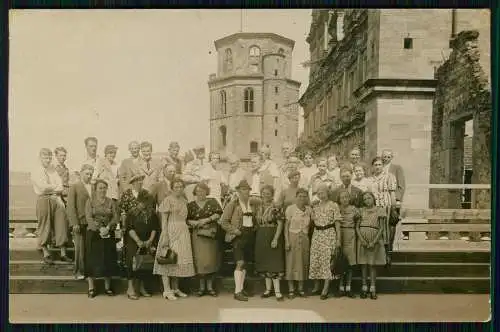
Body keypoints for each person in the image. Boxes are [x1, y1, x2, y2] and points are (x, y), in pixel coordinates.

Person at [153, 179, 195, 300]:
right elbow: (164, 219)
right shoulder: (168, 200)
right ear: (171, 188)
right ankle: (167, 290)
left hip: (183, 231)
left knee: (179, 260)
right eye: (176, 187)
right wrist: (165, 234)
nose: (179, 189)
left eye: (181, 187)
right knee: (168, 259)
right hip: (171, 230)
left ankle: (175, 288)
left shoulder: (184, 201)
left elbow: (185, 218)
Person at [119, 173, 159, 300]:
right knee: (132, 260)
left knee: (144, 261)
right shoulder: (126, 195)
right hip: (132, 235)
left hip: (147, 235)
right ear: (132, 183)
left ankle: (141, 287)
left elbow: (154, 223)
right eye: (137, 181)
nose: (139, 183)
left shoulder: (147, 195)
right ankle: (130, 288)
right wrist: (137, 240)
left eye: (141, 181)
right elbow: (126, 218)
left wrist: (149, 240)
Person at [219, 180, 259, 302]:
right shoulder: (233, 204)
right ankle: (237, 291)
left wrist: (254, 228)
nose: (246, 192)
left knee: (245, 263)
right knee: (240, 263)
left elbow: (254, 219)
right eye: (243, 189)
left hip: (249, 235)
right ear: (238, 191)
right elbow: (223, 222)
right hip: (238, 236)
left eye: (247, 189)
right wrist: (235, 231)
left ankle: (241, 289)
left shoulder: (251, 204)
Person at [31, 148, 71, 264]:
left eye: (49, 158)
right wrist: (53, 187)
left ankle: (63, 252)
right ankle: (45, 251)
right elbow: (41, 187)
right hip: (43, 199)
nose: (47, 160)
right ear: (40, 158)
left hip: (56, 198)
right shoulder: (35, 171)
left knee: (61, 222)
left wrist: (51, 187)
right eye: (45, 157)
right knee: (44, 224)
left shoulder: (52, 170)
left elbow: (61, 187)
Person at [186, 182, 223, 297]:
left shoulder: (212, 201)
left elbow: (218, 214)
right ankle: (202, 288)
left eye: (202, 190)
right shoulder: (191, 205)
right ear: (195, 193)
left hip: (210, 234)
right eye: (197, 191)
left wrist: (206, 220)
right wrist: (195, 222)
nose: (200, 193)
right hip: (197, 236)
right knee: (200, 262)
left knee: (211, 260)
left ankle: (210, 287)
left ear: (206, 191)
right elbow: (186, 219)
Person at [84, 179, 119, 298]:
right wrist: (99, 229)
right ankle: (91, 288)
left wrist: (108, 228)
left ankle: (108, 287)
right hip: (94, 234)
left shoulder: (111, 202)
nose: (102, 190)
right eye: (100, 188)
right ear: (95, 189)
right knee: (91, 260)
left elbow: (115, 217)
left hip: (108, 233)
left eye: (104, 187)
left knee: (108, 259)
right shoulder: (90, 201)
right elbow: (88, 217)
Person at [309, 184, 342, 300]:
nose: (320, 195)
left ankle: (326, 288)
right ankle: (316, 286)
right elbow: (312, 219)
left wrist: (338, 239)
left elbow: (337, 222)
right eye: (318, 193)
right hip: (317, 234)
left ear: (328, 193)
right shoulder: (315, 206)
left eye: (322, 192)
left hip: (329, 233)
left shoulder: (333, 205)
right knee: (316, 259)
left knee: (327, 260)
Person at [254, 185, 285, 301]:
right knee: (265, 264)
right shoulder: (258, 207)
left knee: (274, 263)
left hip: (272, 234)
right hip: (262, 235)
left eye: (268, 193)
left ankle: (277, 291)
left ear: (272, 194)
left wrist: (276, 238)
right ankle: (268, 290)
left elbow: (280, 223)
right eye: (264, 193)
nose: (266, 195)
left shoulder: (276, 206)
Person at [356, 191, 387, 300]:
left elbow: (382, 228)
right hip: (363, 239)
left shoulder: (380, 210)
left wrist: (374, 241)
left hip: (374, 238)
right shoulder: (361, 211)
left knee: (372, 264)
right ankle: (364, 287)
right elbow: (357, 227)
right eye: (364, 199)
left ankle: (373, 288)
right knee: (363, 264)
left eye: (369, 198)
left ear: (373, 198)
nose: (367, 201)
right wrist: (361, 239)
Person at [67, 164, 94, 280]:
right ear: (81, 173)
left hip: (91, 222)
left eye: (90, 174)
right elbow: (70, 206)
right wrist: (74, 223)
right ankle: (78, 271)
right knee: (79, 248)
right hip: (79, 222)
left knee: (90, 248)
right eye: (86, 173)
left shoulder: (94, 187)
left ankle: (89, 272)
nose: (89, 176)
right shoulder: (75, 187)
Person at [367, 157, 397, 265]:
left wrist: (393, 208)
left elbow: (392, 194)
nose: (378, 167)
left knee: (386, 231)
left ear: (383, 166)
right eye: (375, 165)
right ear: (372, 166)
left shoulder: (389, 177)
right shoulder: (370, 179)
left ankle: (388, 255)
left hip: (386, 207)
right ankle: (378, 256)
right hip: (374, 208)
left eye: (380, 164)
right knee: (376, 231)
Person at [284, 188, 312, 299]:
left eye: (304, 196)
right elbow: (286, 227)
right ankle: (291, 290)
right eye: (300, 196)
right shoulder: (290, 209)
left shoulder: (309, 210)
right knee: (291, 262)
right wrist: (286, 241)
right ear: (296, 197)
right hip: (292, 237)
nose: (302, 198)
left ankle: (300, 289)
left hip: (304, 238)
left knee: (303, 262)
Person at [336, 189, 360, 298]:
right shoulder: (337, 208)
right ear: (339, 199)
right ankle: (341, 288)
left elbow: (359, 220)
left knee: (350, 263)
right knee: (341, 261)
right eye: (342, 197)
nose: (344, 199)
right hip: (340, 234)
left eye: (346, 197)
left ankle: (349, 287)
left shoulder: (354, 209)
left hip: (350, 234)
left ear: (349, 198)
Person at [381, 149, 407, 241]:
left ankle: (391, 245)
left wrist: (397, 199)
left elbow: (401, 186)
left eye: (388, 157)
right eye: (384, 156)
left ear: (391, 158)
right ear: (381, 157)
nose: (386, 159)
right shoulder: (379, 167)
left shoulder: (397, 168)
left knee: (392, 222)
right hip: (381, 200)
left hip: (392, 200)